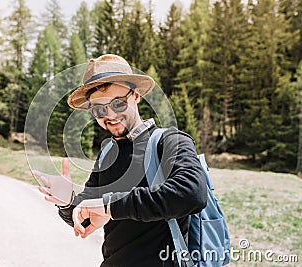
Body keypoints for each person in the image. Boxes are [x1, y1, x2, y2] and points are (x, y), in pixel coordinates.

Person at [34, 54, 207, 267]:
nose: (110, 115)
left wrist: (111, 206)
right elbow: (87, 219)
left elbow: (192, 194)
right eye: (98, 109)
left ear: (135, 95)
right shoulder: (107, 152)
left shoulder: (170, 141)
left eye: (117, 103)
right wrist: (67, 202)